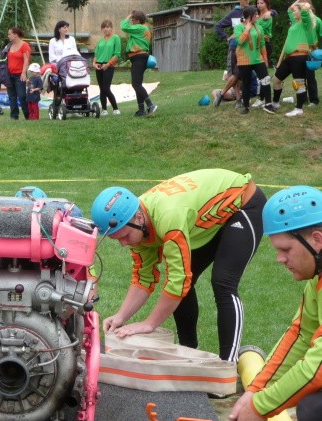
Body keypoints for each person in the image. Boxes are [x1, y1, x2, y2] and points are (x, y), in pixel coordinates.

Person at [91, 169, 266, 362]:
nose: (123, 244)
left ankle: (228, 366)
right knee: (185, 283)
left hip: (242, 204)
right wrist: (120, 316)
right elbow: (143, 278)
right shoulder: (136, 224)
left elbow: (178, 279)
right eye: (117, 240)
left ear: (139, 218)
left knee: (222, 282)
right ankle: (188, 354)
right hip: (204, 219)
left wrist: (150, 323)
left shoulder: (168, 217)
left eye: (124, 237)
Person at [229, 186, 322, 421]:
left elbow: (319, 366)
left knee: (314, 408)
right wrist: (254, 390)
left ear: (317, 240)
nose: (280, 259)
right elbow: (301, 335)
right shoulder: (317, 282)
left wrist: (260, 407)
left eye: (285, 249)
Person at [271, 0, 315, 117]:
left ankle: (299, 109)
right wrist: (299, 0)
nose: (294, 12)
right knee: (276, 80)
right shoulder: (295, 23)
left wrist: (304, 4)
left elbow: (305, 11)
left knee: (299, 84)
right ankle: (275, 103)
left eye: (296, 11)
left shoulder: (306, 23)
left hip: (300, 57)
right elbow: (289, 8)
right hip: (289, 58)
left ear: (301, 12)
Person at [231, 5, 274, 114]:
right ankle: (246, 106)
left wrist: (265, 59)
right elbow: (240, 42)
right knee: (246, 83)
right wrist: (247, 29)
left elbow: (263, 44)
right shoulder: (239, 27)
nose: (258, 16)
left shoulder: (259, 27)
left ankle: (268, 104)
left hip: (258, 59)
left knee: (265, 80)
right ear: (250, 16)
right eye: (255, 14)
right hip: (244, 60)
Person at [214, 0, 251, 104]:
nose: (248, 1)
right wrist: (227, 37)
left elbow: (269, 11)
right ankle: (238, 100)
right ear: (239, 0)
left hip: (247, 47)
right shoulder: (233, 14)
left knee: (240, 74)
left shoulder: (251, 11)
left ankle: (223, 93)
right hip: (235, 46)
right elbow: (218, 26)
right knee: (235, 73)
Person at [120, 10, 157, 116]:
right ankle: (141, 110)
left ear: (138, 20)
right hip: (140, 58)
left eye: (133, 19)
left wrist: (128, 15)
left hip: (138, 57)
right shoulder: (143, 29)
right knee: (138, 84)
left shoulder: (140, 27)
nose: (131, 21)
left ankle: (150, 105)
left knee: (135, 84)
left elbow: (123, 26)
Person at [93, 19, 121, 116]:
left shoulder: (115, 38)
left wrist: (108, 64)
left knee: (106, 88)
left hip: (109, 65)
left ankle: (115, 108)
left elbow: (117, 54)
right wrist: (94, 63)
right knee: (101, 89)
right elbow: (96, 54)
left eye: (108, 27)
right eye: (104, 27)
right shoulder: (100, 40)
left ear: (111, 28)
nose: (106, 29)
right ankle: (104, 109)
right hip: (99, 65)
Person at [6, 26, 31, 120]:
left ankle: (28, 115)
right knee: (11, 96)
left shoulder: (24, 45)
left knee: (22, 96)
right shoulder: (9, 46)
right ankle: (14, 116)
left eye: (9, 34)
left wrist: (23, 73)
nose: (8, 36)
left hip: (19, 75)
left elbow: (26, 60)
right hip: (9, 75)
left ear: (15, 34)